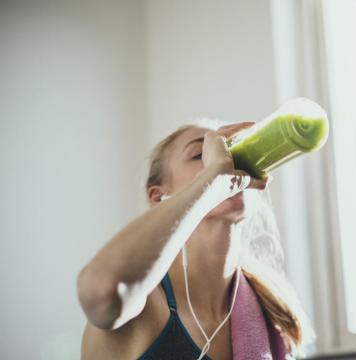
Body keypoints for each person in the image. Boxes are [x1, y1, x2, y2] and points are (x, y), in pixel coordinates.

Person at [77, 120, 312, 359]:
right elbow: (100, 290)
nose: (226, 162)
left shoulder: (273, 317)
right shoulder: (143, 305)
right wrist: (212, 182)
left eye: (230, 151)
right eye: (201, 154)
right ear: (158, 197)